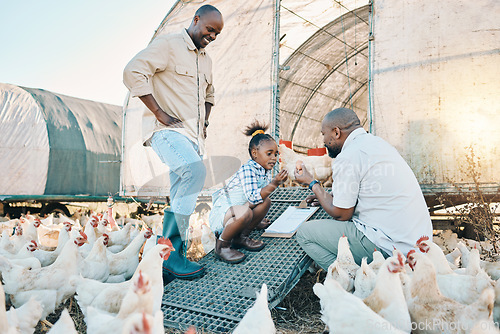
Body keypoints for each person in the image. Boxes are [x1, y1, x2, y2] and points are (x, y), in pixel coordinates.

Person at [123, 5, 224, 280]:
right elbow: (133, 72)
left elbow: (210, 93)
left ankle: (164, 259)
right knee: (195, 172)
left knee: (182, 190)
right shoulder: (168, 45)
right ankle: (172, 252)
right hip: (166, 132)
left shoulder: (206, 61)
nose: (213, 36)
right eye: (210, 29)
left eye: (217, 33)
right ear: (196, 20)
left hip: (192, 137)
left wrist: (205, 121)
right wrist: (158, 112)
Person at [294, 108, 432, 270]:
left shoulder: (348, 156)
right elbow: (368, 190)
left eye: (323, 134)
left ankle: (351, 282)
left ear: (336, 132)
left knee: (304, 233)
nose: (323, 141)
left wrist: (312, 183)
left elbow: (342, 214)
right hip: (418, 245)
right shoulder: (379, 144)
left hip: (391, 248)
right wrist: (326, 196)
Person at [209, 121, 288, 264]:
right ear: (254, 153)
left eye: (276, 154)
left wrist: (257, 220)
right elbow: (253, 197)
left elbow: (259, 197)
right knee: (246, 212)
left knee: (266, 202)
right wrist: (274, 183)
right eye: (269, 154)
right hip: (224, 214)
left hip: (240, 210)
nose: (274, 158)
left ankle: (241, 237)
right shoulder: (248, 170)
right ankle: (222, 246)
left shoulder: (263, 169)